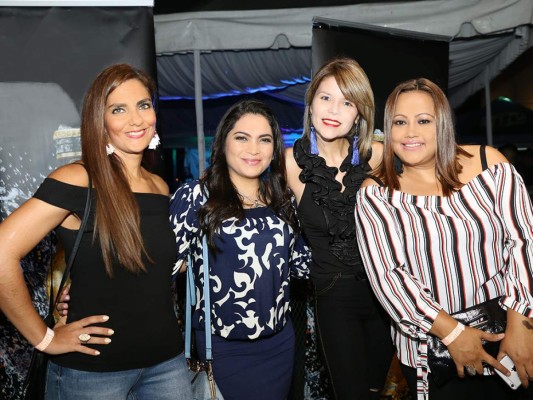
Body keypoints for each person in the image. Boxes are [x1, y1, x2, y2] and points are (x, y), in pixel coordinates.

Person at [0, 63, 193, 399]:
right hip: (92, 374)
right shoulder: (76, 179)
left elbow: (145, 271)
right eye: (118, 109)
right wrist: (44, 338)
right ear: (100, 123)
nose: (136, 119)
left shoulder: (160, 187)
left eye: (143, 105)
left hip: (167, 364)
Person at [355, 77, 533, 400]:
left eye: (424, 120)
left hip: (510, 330)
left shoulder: (489, 165)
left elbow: (523, 241)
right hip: (432, 351)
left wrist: (522, 323)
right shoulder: (377, 195)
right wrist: (453, 334)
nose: (410, 132)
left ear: (444, 124)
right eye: (399, 122)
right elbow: (389, 279)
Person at [169, 99, 310, 400]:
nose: (254, 149)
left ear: (274, 149)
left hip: (279, 345)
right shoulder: (197, 197)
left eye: (264, 140)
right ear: (222, 143)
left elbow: (302, 266)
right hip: (222, 350)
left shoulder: (284, 199)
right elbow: (160, 270)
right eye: (242, 137)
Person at [285, 57, 394, 399]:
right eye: (325, 97)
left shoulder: (378, 156)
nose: (334, 109)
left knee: (379, 389)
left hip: (387, 297)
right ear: (310, 102)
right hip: (333, 298)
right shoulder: (288, 163)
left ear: (360, 112)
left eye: (347, 102)